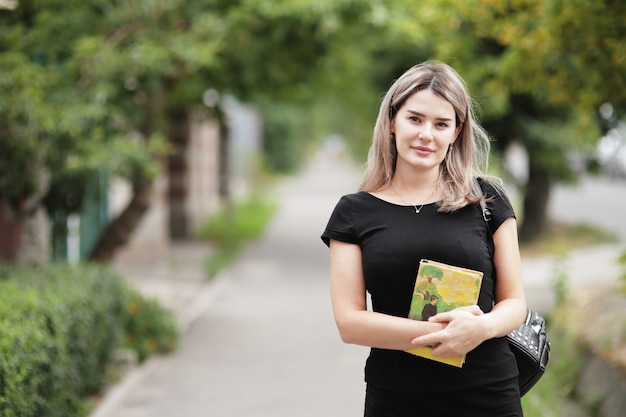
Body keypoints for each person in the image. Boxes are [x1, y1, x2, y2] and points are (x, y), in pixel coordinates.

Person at [321, 61, 527, 417]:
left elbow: (515, 303)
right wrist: (441, 336)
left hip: (488, 395)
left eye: (441, 124)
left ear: (456, 132)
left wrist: (480, 328)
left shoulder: (487, 199)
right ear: (392, 122)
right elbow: (349, 322)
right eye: (415, 119)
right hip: (398, 399)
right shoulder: (354, 212)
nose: (426, 135)